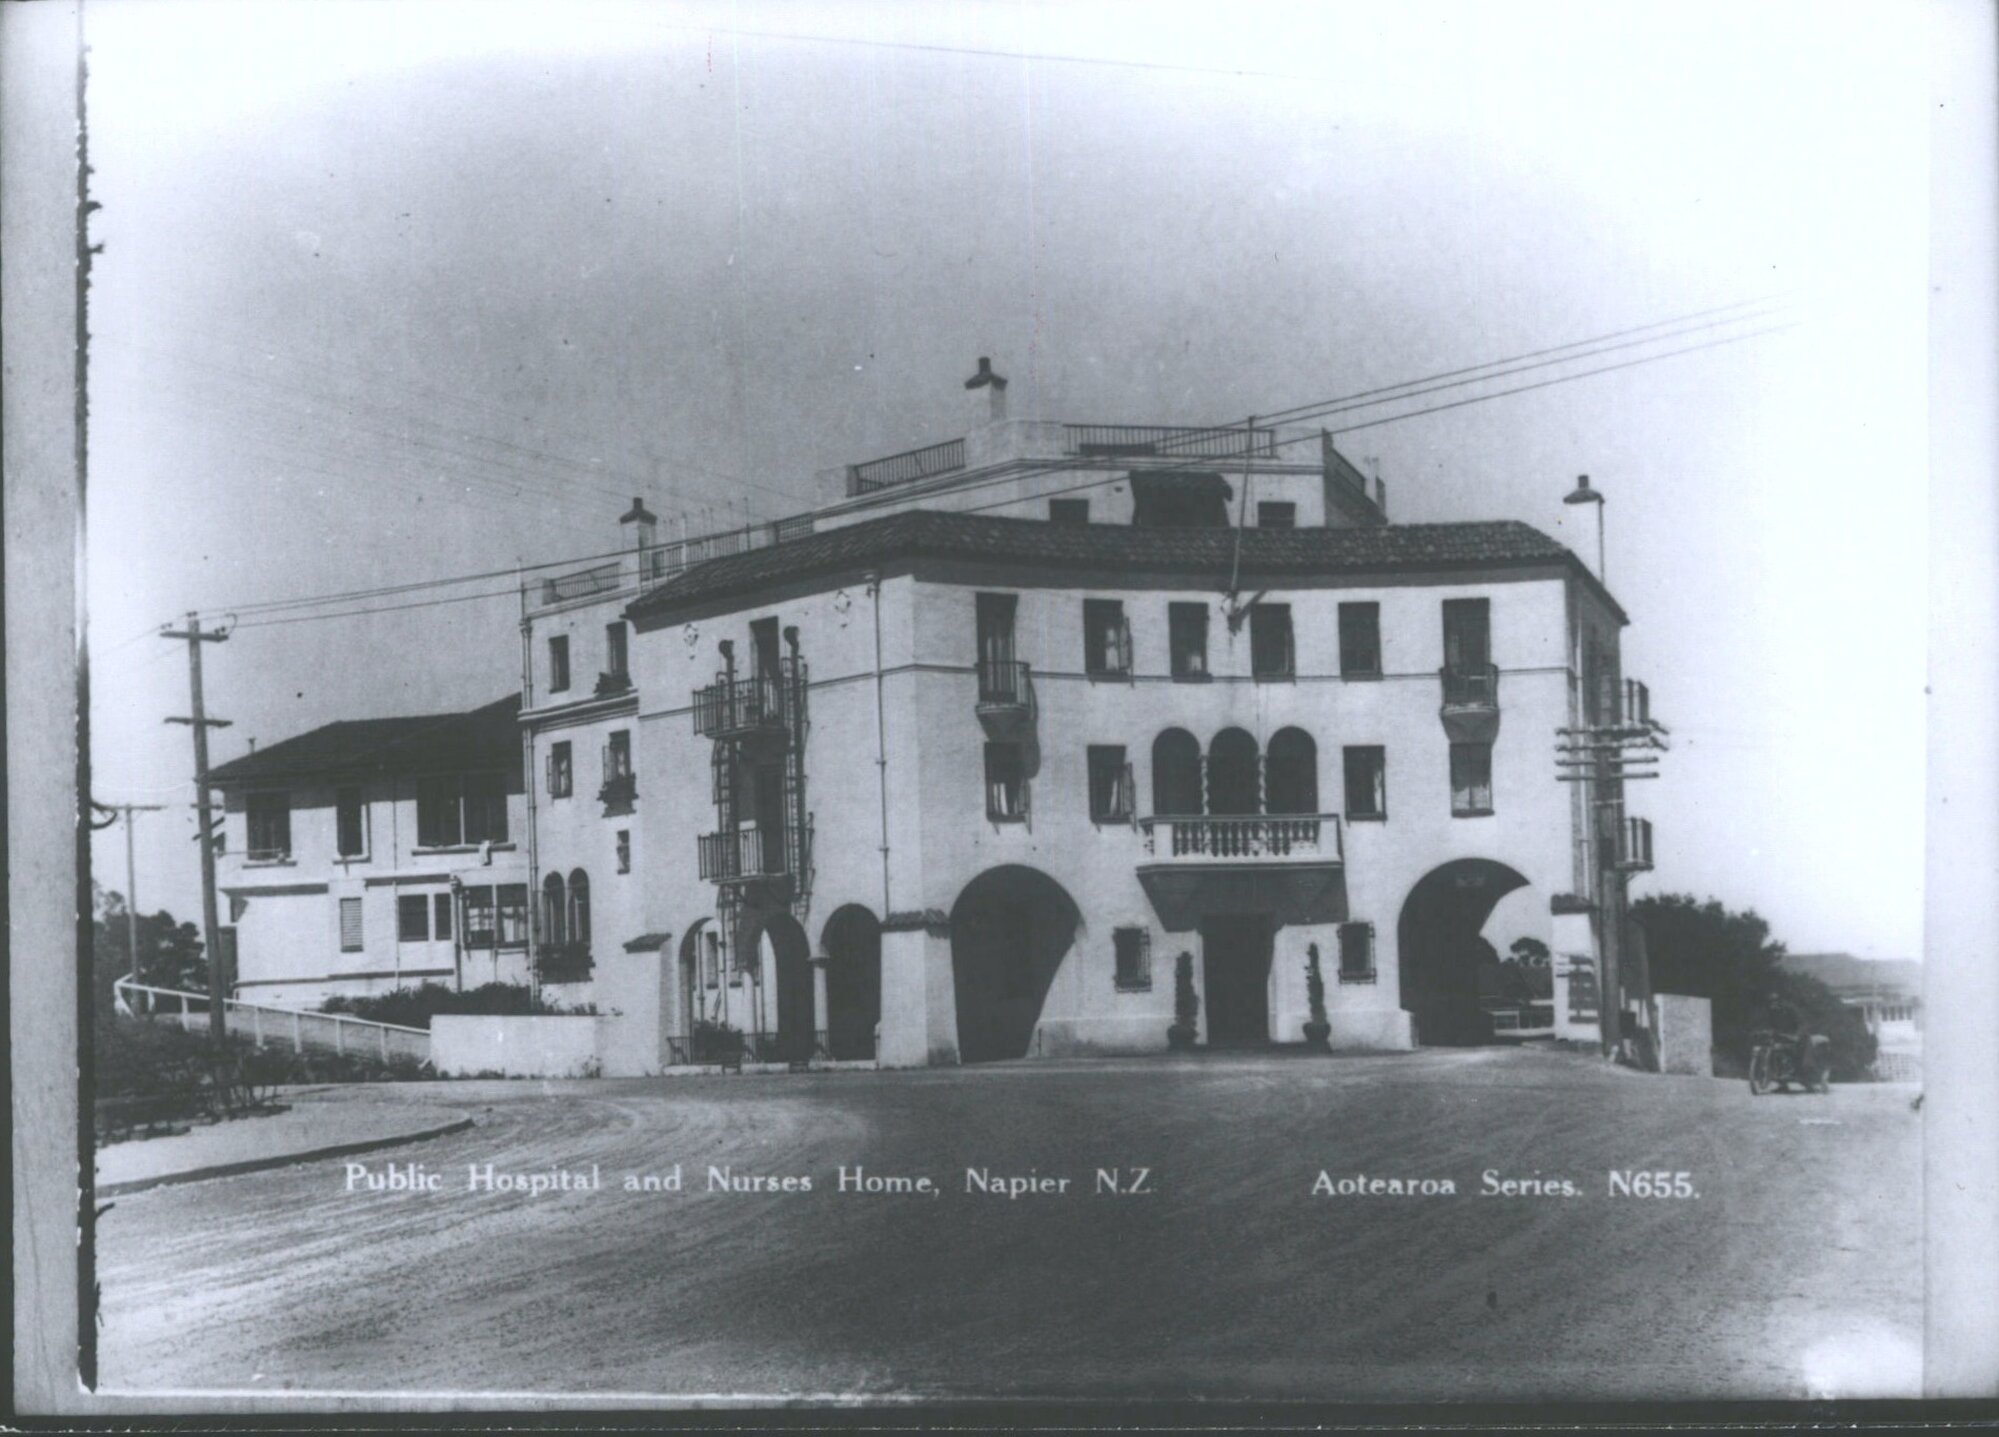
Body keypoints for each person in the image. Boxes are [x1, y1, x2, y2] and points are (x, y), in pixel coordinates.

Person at [1759, 990, 1808, 1075]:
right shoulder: (1770, 1011)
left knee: (1797, 1055)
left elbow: (1801, 1023)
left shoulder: (1790, 1009)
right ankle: (1777, 1074)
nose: (1773, 1003)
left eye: (1775, 1001)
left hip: (1792, 1035)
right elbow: (1764, 1023)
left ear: (1780, 1001)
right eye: (1770, 1001)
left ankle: (1798, 1072)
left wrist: (1797, 1035)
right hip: (1779, 1035)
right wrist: (1763, 1030)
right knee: (1769, 1048)